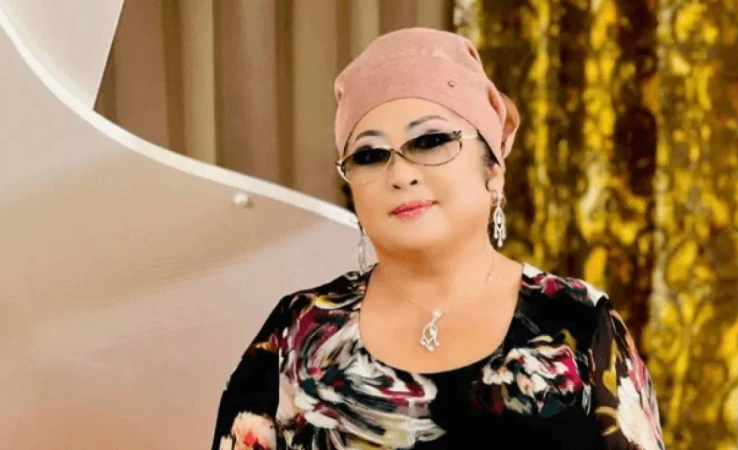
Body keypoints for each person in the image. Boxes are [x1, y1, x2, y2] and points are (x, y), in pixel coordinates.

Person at [210, 27, 665, 450]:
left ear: (493, 170)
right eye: (369, 155)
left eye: (430, 142)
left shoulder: (579, 322)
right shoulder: (295, 331)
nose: (401, 174)